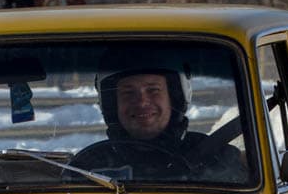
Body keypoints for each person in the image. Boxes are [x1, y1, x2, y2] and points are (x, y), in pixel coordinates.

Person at [70, 61, 246, 182]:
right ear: (111, 104)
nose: (142, 102)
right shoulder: (86, 168)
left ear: (174, 97)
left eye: (153, 90)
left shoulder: (219, 160)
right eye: (128, 93)